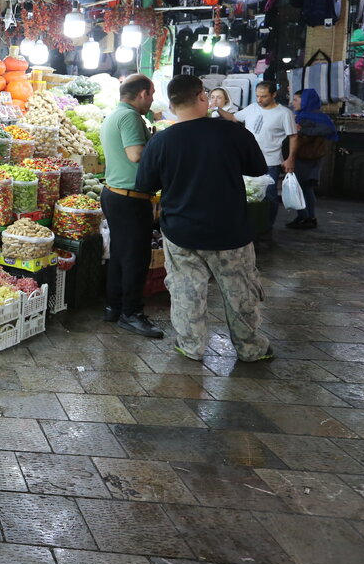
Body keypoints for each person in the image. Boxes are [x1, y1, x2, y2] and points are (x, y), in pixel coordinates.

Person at [135, 75, 272, 362]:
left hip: (181, 232)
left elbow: (145, 185)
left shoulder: (161, 141)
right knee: (240, 294)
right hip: (229, 231)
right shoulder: (232, 133)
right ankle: (251, 349)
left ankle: (191, 346)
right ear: (202, 97)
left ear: (172, 105)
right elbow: (259, 169)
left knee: (186, 292)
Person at [97, 74, 164, 339]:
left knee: (120, 254)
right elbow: (136, 154)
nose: (153, 99)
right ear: (143, 94)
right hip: (129, 198)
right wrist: (159, 145)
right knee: (136, 258)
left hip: (115, 194)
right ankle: (131, 314)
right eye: (152, 94)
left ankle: (114, 307)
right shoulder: (131, 117)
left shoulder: (115, 114)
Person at [219, 81, 296, 236]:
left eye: (264, 96)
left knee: (269, 195)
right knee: (248, 193)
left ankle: (266, 227)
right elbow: (234, 118)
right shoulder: (252, 108)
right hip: (246, 160)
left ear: (274, 95)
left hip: (271, 162)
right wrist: (216, 108)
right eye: (257, 96)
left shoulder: (284, 113)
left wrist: (290, 159)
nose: (259, 100)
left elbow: (294, 137)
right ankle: (248, 224)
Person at [285, 88, 338, 229]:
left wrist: (300, 130)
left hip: (306, 158)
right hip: (309, 157)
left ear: (306, 101)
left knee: (302, 187)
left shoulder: (308, 117)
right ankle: (306, 217)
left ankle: (306, 217)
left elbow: (325, 130)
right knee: (305, 188)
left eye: (296, 100)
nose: (292, 103)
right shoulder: (311, 116)